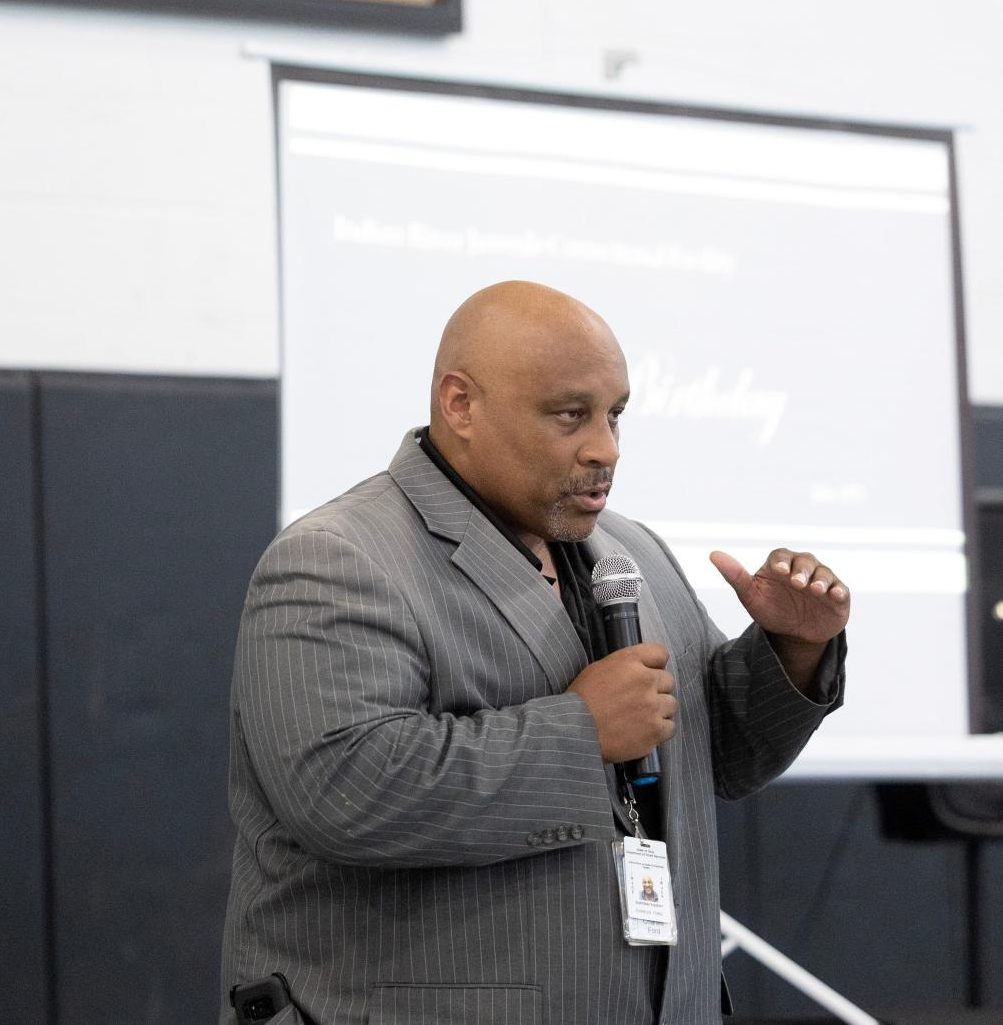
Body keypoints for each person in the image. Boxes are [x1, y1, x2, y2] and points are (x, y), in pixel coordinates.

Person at [220, 282, 849, 1024]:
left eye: (615, 415)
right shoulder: (336, 558)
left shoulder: (632, 551)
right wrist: (581, 735)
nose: (605, 449)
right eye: (569, 415)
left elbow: (724, 757)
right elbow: (345, 793)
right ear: (461, 405)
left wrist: (793, 648)